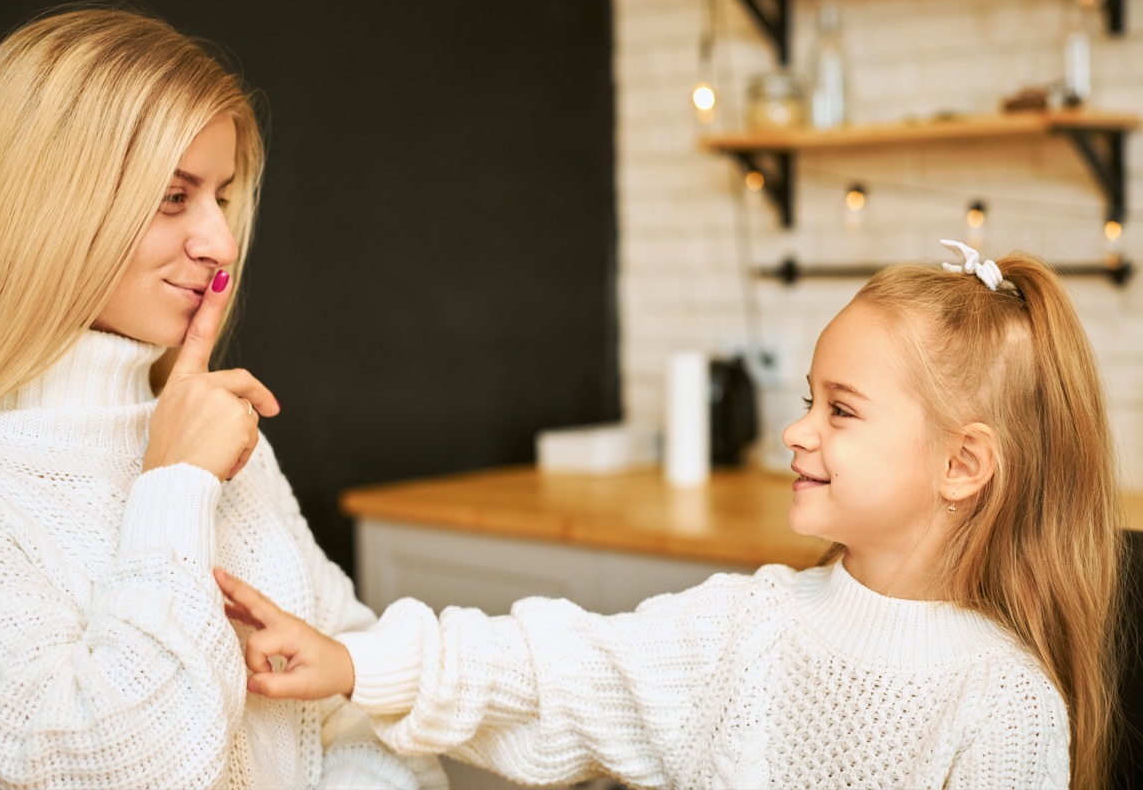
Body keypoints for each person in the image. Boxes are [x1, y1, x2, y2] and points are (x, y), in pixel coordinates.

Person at [215, 240, 1124, 790]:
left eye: (840, 411)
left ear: (963, 465)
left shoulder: (1004, 700)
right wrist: (352, 663)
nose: (795, 431)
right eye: (809, 398)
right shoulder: (750, 626)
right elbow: (553, 671)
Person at [0, 5, 445, 790]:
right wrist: (173, 485)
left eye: (222, 195)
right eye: (175, 198)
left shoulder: (218, 435)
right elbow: (126, 768)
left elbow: (358, 692)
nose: (220, 242)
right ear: (44, 208)